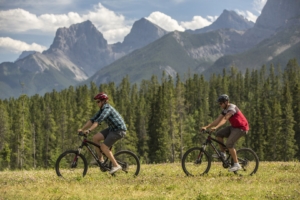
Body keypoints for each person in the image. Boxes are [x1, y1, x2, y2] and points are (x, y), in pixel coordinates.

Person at [78, 92, 127, 174]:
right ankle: (101, 160)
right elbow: (92, 120)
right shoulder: (101, 109)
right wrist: (82, 129)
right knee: (95, 138)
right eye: (96, 102)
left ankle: (116, 165)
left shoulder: (107, 109)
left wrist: (89, 130)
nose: (97, 103)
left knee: (104, 147)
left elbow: (98, 121)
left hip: (119, 130)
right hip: (112, 129)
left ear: (103, 101)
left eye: (98, 102)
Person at [201, 94, 249, 172]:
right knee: (219, 134)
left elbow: (225, 119)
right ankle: (223, 153)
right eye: (219, 103)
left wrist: (216, 127)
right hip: (234, 127)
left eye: (221, 103)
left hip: (241, 128)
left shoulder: (232, 108)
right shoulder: (224, 110)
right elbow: (218, 120)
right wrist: (207, 127)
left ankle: (237, 164)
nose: (220, 105)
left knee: (229, 144)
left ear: (226, 102)